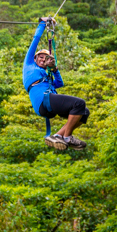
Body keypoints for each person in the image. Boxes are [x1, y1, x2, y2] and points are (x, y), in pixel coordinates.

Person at [23, 17, 89, 150]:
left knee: (84, 111)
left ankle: (58, 136)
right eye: (40, 57)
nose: (42, 59)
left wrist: (54, 69)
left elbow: (59, 83)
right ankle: (66, 137)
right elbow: (34, 42)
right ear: (35, 58)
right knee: (79, 103)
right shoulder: (29, 66)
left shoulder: (47, 74)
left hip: (48, 101)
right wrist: (42, 24)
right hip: (43, 101)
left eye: (45, 58)